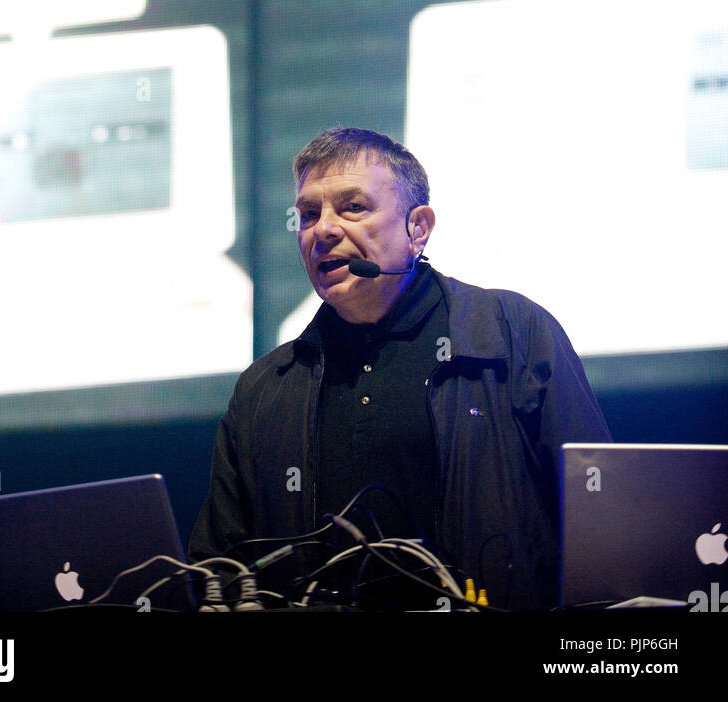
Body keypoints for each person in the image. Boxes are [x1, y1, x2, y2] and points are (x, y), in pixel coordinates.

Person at [188, 127, 612, 610]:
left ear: (418, 228)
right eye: (308, 214)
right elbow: (218, 568)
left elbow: (595, 513)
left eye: (353, 207)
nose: (323, 230)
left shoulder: (512, 333)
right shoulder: (266, 389)